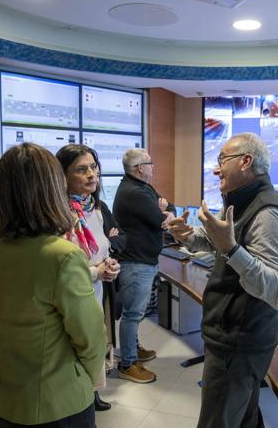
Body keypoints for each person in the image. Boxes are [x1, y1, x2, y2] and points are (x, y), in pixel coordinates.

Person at [0, 143, 106, 427]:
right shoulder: (62, 255)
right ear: (53, 188)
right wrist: (86, 380)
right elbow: (91, 338)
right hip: (52, 404)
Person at [169, 133, 278, 428]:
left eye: (222, 160)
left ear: (246, 161)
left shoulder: (267, 213)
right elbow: (223, 245)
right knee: (244, 418)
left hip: (238, 341)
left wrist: (231, 249)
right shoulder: (242, 201)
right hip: (232, 335)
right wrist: (190, 237)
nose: (216, 169)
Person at [56, 144, 126, 411]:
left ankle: (91, 396)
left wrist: (109, 266)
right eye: (82, 170)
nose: (91, 175)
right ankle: (78, 403)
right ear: (62, 176)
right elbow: (59, 266)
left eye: (94, 168)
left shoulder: (95, 209)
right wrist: (96, 271)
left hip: (96, 291)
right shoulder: (58, 214)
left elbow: (103, 248)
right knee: (73, 350)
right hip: (71, 296)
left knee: (95, 345)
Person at [113, 148, 175, 383]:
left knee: (135, 313)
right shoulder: (135, 192)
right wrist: (164, 214)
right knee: (133, 314)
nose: (153, 166)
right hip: (136, 262)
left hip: (142, 259)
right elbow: (163, 221)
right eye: (150, 163)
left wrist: (166, 211)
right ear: (140, 168)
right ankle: (128, 364)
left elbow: (172, 208)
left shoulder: (142, 187)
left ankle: (133, 348)